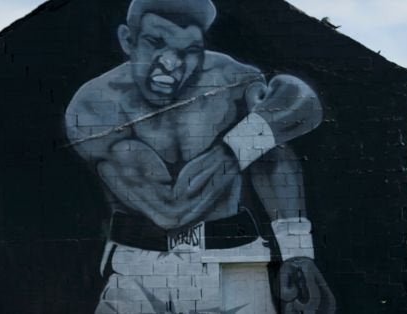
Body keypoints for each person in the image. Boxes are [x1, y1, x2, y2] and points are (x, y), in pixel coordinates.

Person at [64, 0, 335, 313]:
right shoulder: (95, 106)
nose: (171, 62)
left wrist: (297, 252)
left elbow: (272, 160)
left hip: (235, 263)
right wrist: (249, 137)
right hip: (137, 272)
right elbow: (170, 210)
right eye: (156, 42)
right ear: (128, 40)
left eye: (189, 49)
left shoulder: (235, 80)